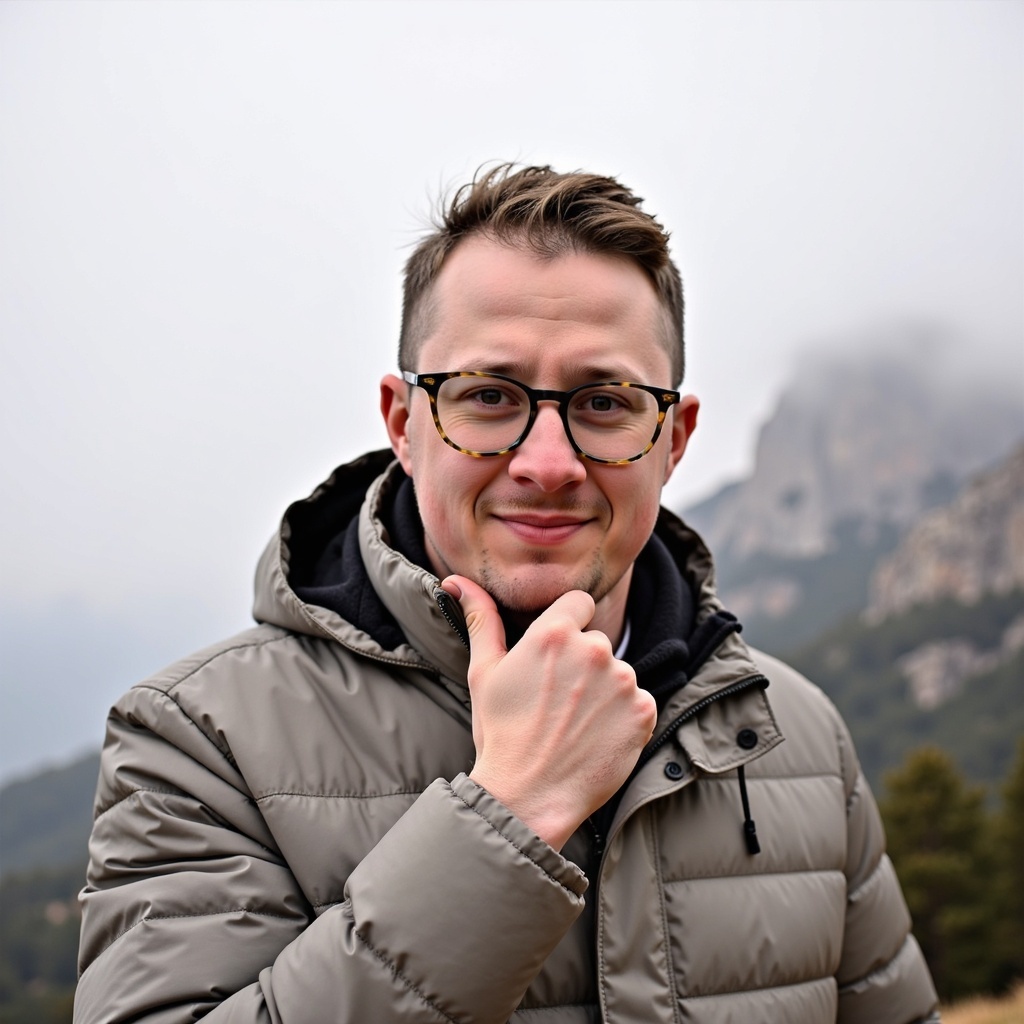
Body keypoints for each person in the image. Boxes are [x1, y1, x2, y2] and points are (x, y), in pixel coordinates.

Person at [75, 164, 940, 1024]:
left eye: (606, 402)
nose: (549, 463)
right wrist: (509, 815)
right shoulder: (198, 741)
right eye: (489, 396)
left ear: (673, 439)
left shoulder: (799, 736)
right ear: (403, 422)